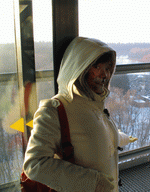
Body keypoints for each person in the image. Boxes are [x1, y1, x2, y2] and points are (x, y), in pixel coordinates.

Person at [23, 37, 137, 192]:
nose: (104, 75)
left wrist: (121, 137)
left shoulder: (95, 104)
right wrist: (94, 183)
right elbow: (35, 164)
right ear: (78, 68)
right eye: (96, 67)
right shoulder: (55, 109)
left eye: (108, 68)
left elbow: (93, 138)